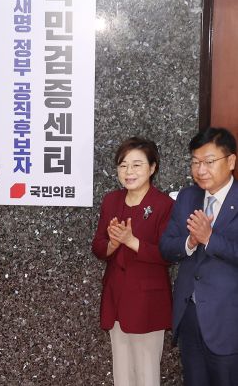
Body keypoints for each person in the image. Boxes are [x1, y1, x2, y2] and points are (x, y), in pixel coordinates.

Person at [91, 137, 174, 386]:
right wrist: (113, 244)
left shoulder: (164, 205)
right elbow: (98, 245)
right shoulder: (111, 201)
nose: (129, 172)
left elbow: (169, 254)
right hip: (116, 298)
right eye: (123, 165)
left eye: (137, 165)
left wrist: (131, 241)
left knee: (147, 375)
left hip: (148, 303)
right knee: (122, 374)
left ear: (153, 167)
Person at [159, 127, 238, 385]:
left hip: (229, 320)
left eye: (209, 161)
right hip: (190, 317)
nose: (200, 169)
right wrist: (190, 242)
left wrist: (209, 238)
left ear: (231, 161)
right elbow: (166, 246)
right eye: (195, 162)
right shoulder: (187, 197)